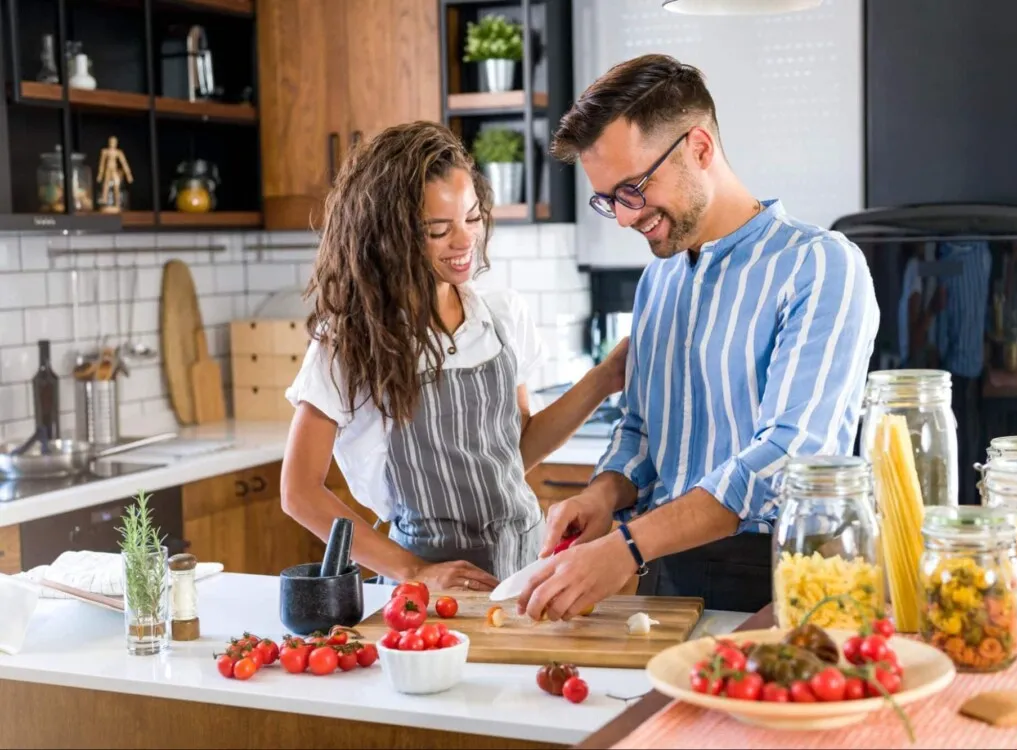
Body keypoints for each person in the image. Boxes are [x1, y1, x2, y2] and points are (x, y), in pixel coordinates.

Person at [517, 54, 880, 619]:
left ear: (700, 149)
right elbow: (640, 432)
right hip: (666, 569)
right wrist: (601, 496)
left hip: (777, 574)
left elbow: (789, 458)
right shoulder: (658, 277)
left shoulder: (819, 266)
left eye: (633, 188)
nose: (622, 217)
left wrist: (629, 544)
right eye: (609, 198)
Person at [280, 121, 627, 591]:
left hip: (524, 571)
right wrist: (413, 571)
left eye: (472, 218)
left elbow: (516, 449)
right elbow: (299, 493)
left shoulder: (501, 316)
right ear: (391, 235)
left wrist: (605, 378)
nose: (465, 242)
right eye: (438, 230)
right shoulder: (350, 341)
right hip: (428, 590)